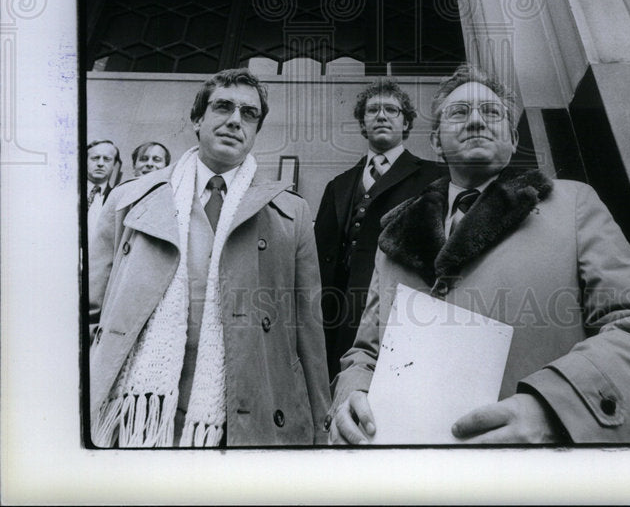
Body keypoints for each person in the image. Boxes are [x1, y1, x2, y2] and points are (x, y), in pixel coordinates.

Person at [328, 63, 630, 445]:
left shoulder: (573, 204)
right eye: (459, 112)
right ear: (436, 143)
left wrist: (556, 411)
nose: (476, 121)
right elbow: (364, 352)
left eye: (491, 112)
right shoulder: (393, 236)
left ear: (513, 140)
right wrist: (351, 396)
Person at [89, 68, 329, 447]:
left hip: (251, 406)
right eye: (223, 107)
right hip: (139, 411)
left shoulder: (291, 214)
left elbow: (308, 330)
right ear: (198, 118)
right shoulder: (130, 200)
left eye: (249, 114)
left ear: (255, 132)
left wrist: (320, 428)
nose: (235, 120)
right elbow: (92, 309)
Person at [314, 78, 442, 381]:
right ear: (363, 123)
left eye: (391, 110)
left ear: (406, 122)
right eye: (372, 111)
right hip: (335, 314)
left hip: (399, 310)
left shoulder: (435, 176)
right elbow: (320, 254)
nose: (381, 116)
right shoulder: (339, 184)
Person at [86, 140, 123, 240]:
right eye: (95, 158)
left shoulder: (117, 199)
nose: (100, 164)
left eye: (107, 159)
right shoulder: (69, 193)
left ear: (114, 165)